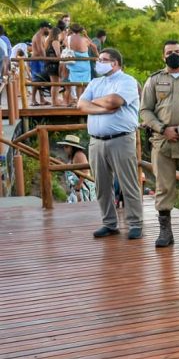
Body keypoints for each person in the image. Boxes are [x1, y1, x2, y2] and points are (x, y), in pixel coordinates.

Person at [140, 40, 179, 248]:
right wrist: (161, 128)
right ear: (163, 56)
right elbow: (145, 110)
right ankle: (165, 232)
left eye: (177, 51)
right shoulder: (154, 80)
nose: (173, 55)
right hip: (162, 143)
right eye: (169, 52)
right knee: (163, 187)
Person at [77, 48, 143, 239]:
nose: (99, 62)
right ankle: (109, 223)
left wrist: (96, 103)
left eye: (103, 60)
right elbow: (81, 105)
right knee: (101, 184)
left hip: (120, 139)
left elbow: (115, 101)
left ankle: (135, 223)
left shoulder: (127, 81)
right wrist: (103, 108)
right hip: (96, 141)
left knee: (127, 182)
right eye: (99, 59)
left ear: (114, 63)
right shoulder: (95, 82)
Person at [57, 134, 96, 203]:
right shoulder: (73, 156)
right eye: (64, 146)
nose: (64, 148)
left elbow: (85, 171)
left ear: (73, 147)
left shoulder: (79, 155)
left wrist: (78, 187)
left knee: (84, 207)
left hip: (84, 186)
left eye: (66, 146)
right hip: (78, 187)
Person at [64, 23, 92, 104]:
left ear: (71, 30)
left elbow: (65, 45)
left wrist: (67, 34)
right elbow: (91, 44)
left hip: (74, 64)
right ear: (81, 30)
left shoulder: (68, 39)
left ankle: (79, 100)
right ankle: (84, 100)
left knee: (77, 84)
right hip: (85, 63)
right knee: (85, 83)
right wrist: (86, 35)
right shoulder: (84, 39)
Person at [30, 21, 52, 106]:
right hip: (36, 61)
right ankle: (33, 100)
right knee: (36, 80)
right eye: (48, 28)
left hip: (40, 60)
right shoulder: (38, 36)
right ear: (43, 28)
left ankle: (42, 99)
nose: (49, 30)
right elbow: (40, 50)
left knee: (41, 80)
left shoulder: (42, 36)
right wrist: (46, 59)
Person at [44, 27, 64, 107]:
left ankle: (54, 100)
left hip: (50, 64)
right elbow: (58, 54)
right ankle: (54, 101)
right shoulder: (55, 42)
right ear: (57, 34)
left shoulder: (48, 42)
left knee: (54, 84)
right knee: (56, 84)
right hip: (54, 65)